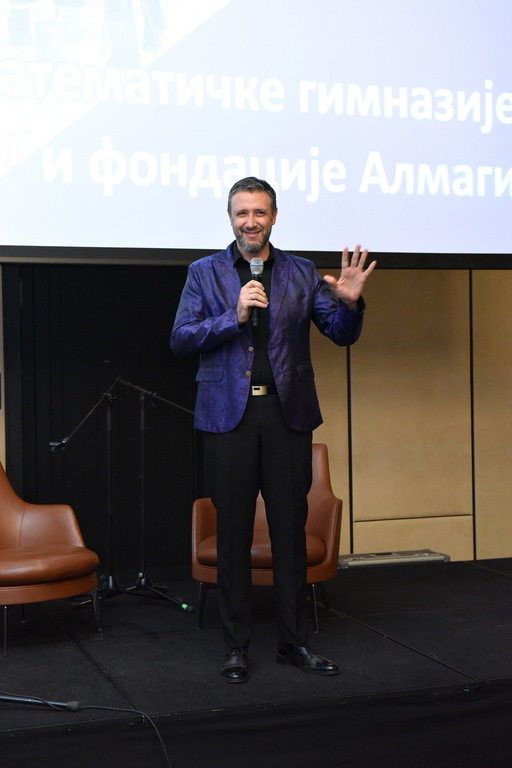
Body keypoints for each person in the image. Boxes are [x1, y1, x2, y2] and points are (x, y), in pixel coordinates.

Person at [170, 177, 376, 683]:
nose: (251, 222)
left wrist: (350, 303)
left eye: (259, 213)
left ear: (274, 217)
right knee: (233, 534)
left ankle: (293, 642)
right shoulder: (204, 272)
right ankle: (235, 647)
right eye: (242, 213)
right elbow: (181, 338)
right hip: (228, 419)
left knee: (289, 532)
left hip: (287, 416)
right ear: (230, 218)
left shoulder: (301, 272)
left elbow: (340, 334)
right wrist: (234, 314)